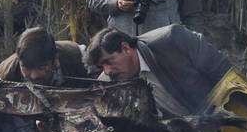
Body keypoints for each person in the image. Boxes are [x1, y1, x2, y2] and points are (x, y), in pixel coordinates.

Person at [85, 25, 232, 117]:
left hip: (222, 115)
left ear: (126, 48)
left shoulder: (172, 40)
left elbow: (226, 74)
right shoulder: (107, 82)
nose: (107, 71)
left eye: (108, 61)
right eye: (101, 66)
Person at [0, 27, 89, 132]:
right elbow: (21, 124)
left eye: (41, 67)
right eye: (26, 68)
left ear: (55, 60)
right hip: (32, 122)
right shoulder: (7, 77)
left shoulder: (77, 56)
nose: (33, 76)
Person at [86, 0, 202, 37]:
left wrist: (189, 46)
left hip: (166, 47)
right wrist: (115, 3)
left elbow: (192, 12)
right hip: (121, 47)